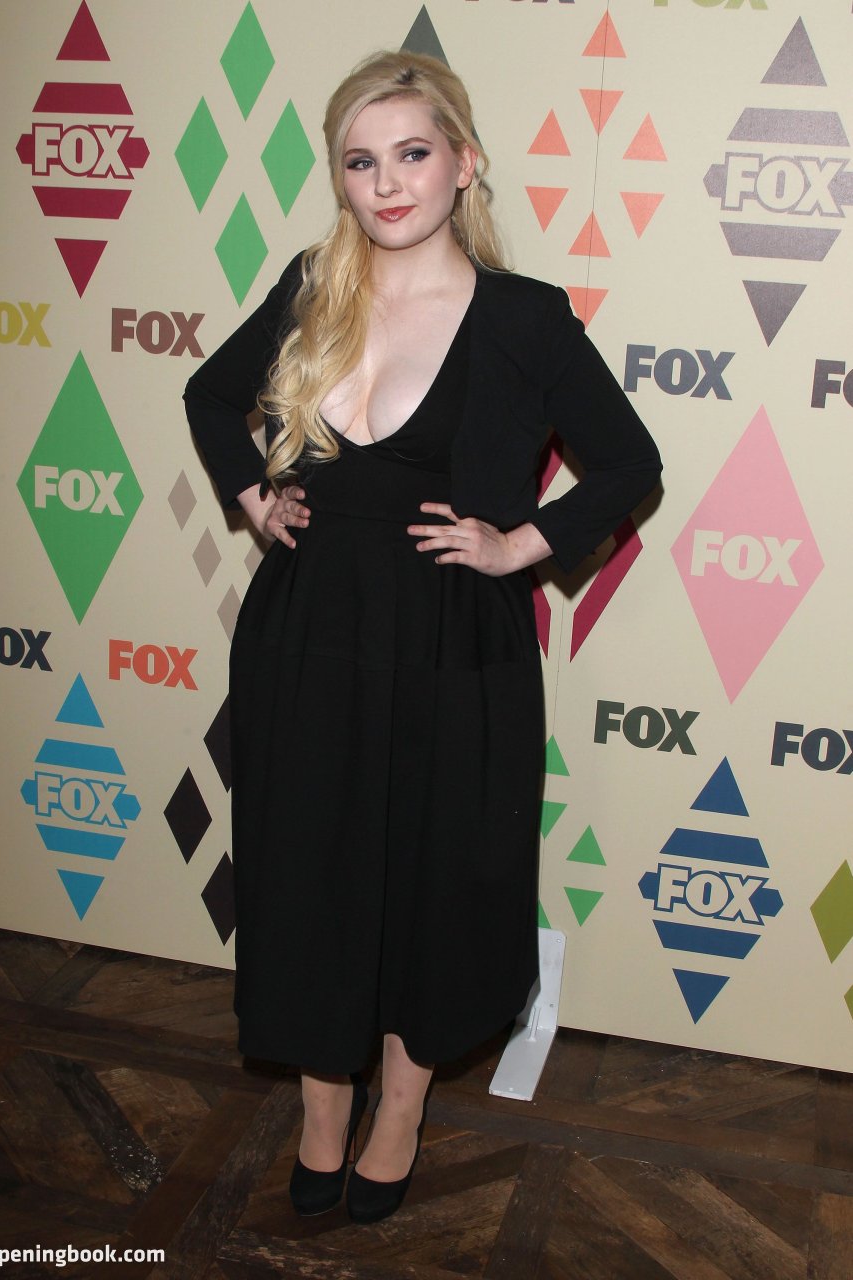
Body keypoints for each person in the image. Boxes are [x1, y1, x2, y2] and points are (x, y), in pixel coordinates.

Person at [184, 49, 661, 1224]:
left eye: (411, 153)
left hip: (453, 642)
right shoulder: (313, 286)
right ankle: (320, 1109)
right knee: (309, 871)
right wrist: (253, 497)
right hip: (308, 634)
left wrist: (519, 544)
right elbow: (210, 395)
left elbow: (628, 463)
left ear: (463, 163)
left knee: (432, 881)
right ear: (340, 180)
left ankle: (398, 1110)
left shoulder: (522, 318)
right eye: (361, 161)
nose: (387, 182)